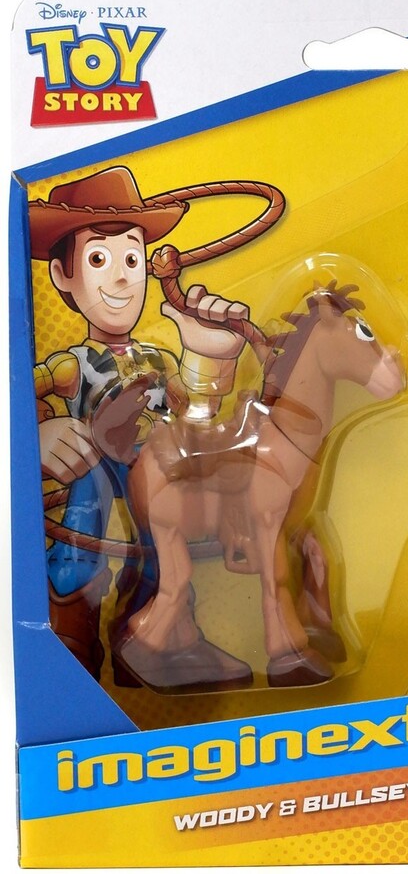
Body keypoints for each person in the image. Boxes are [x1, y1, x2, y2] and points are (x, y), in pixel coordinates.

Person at [30, 166, 251, 684]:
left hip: (152, 472)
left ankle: (166, 631)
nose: (121, 278)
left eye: (132, 259)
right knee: (82, 528)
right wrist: (35, 436)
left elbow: (195, 414)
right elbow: (19, 398)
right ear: (63, 274)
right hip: (93, 468)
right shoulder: (71, 366)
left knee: (166, 543)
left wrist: (212, 355)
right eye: (99, 260)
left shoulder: (159, 360)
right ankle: (68, 627)